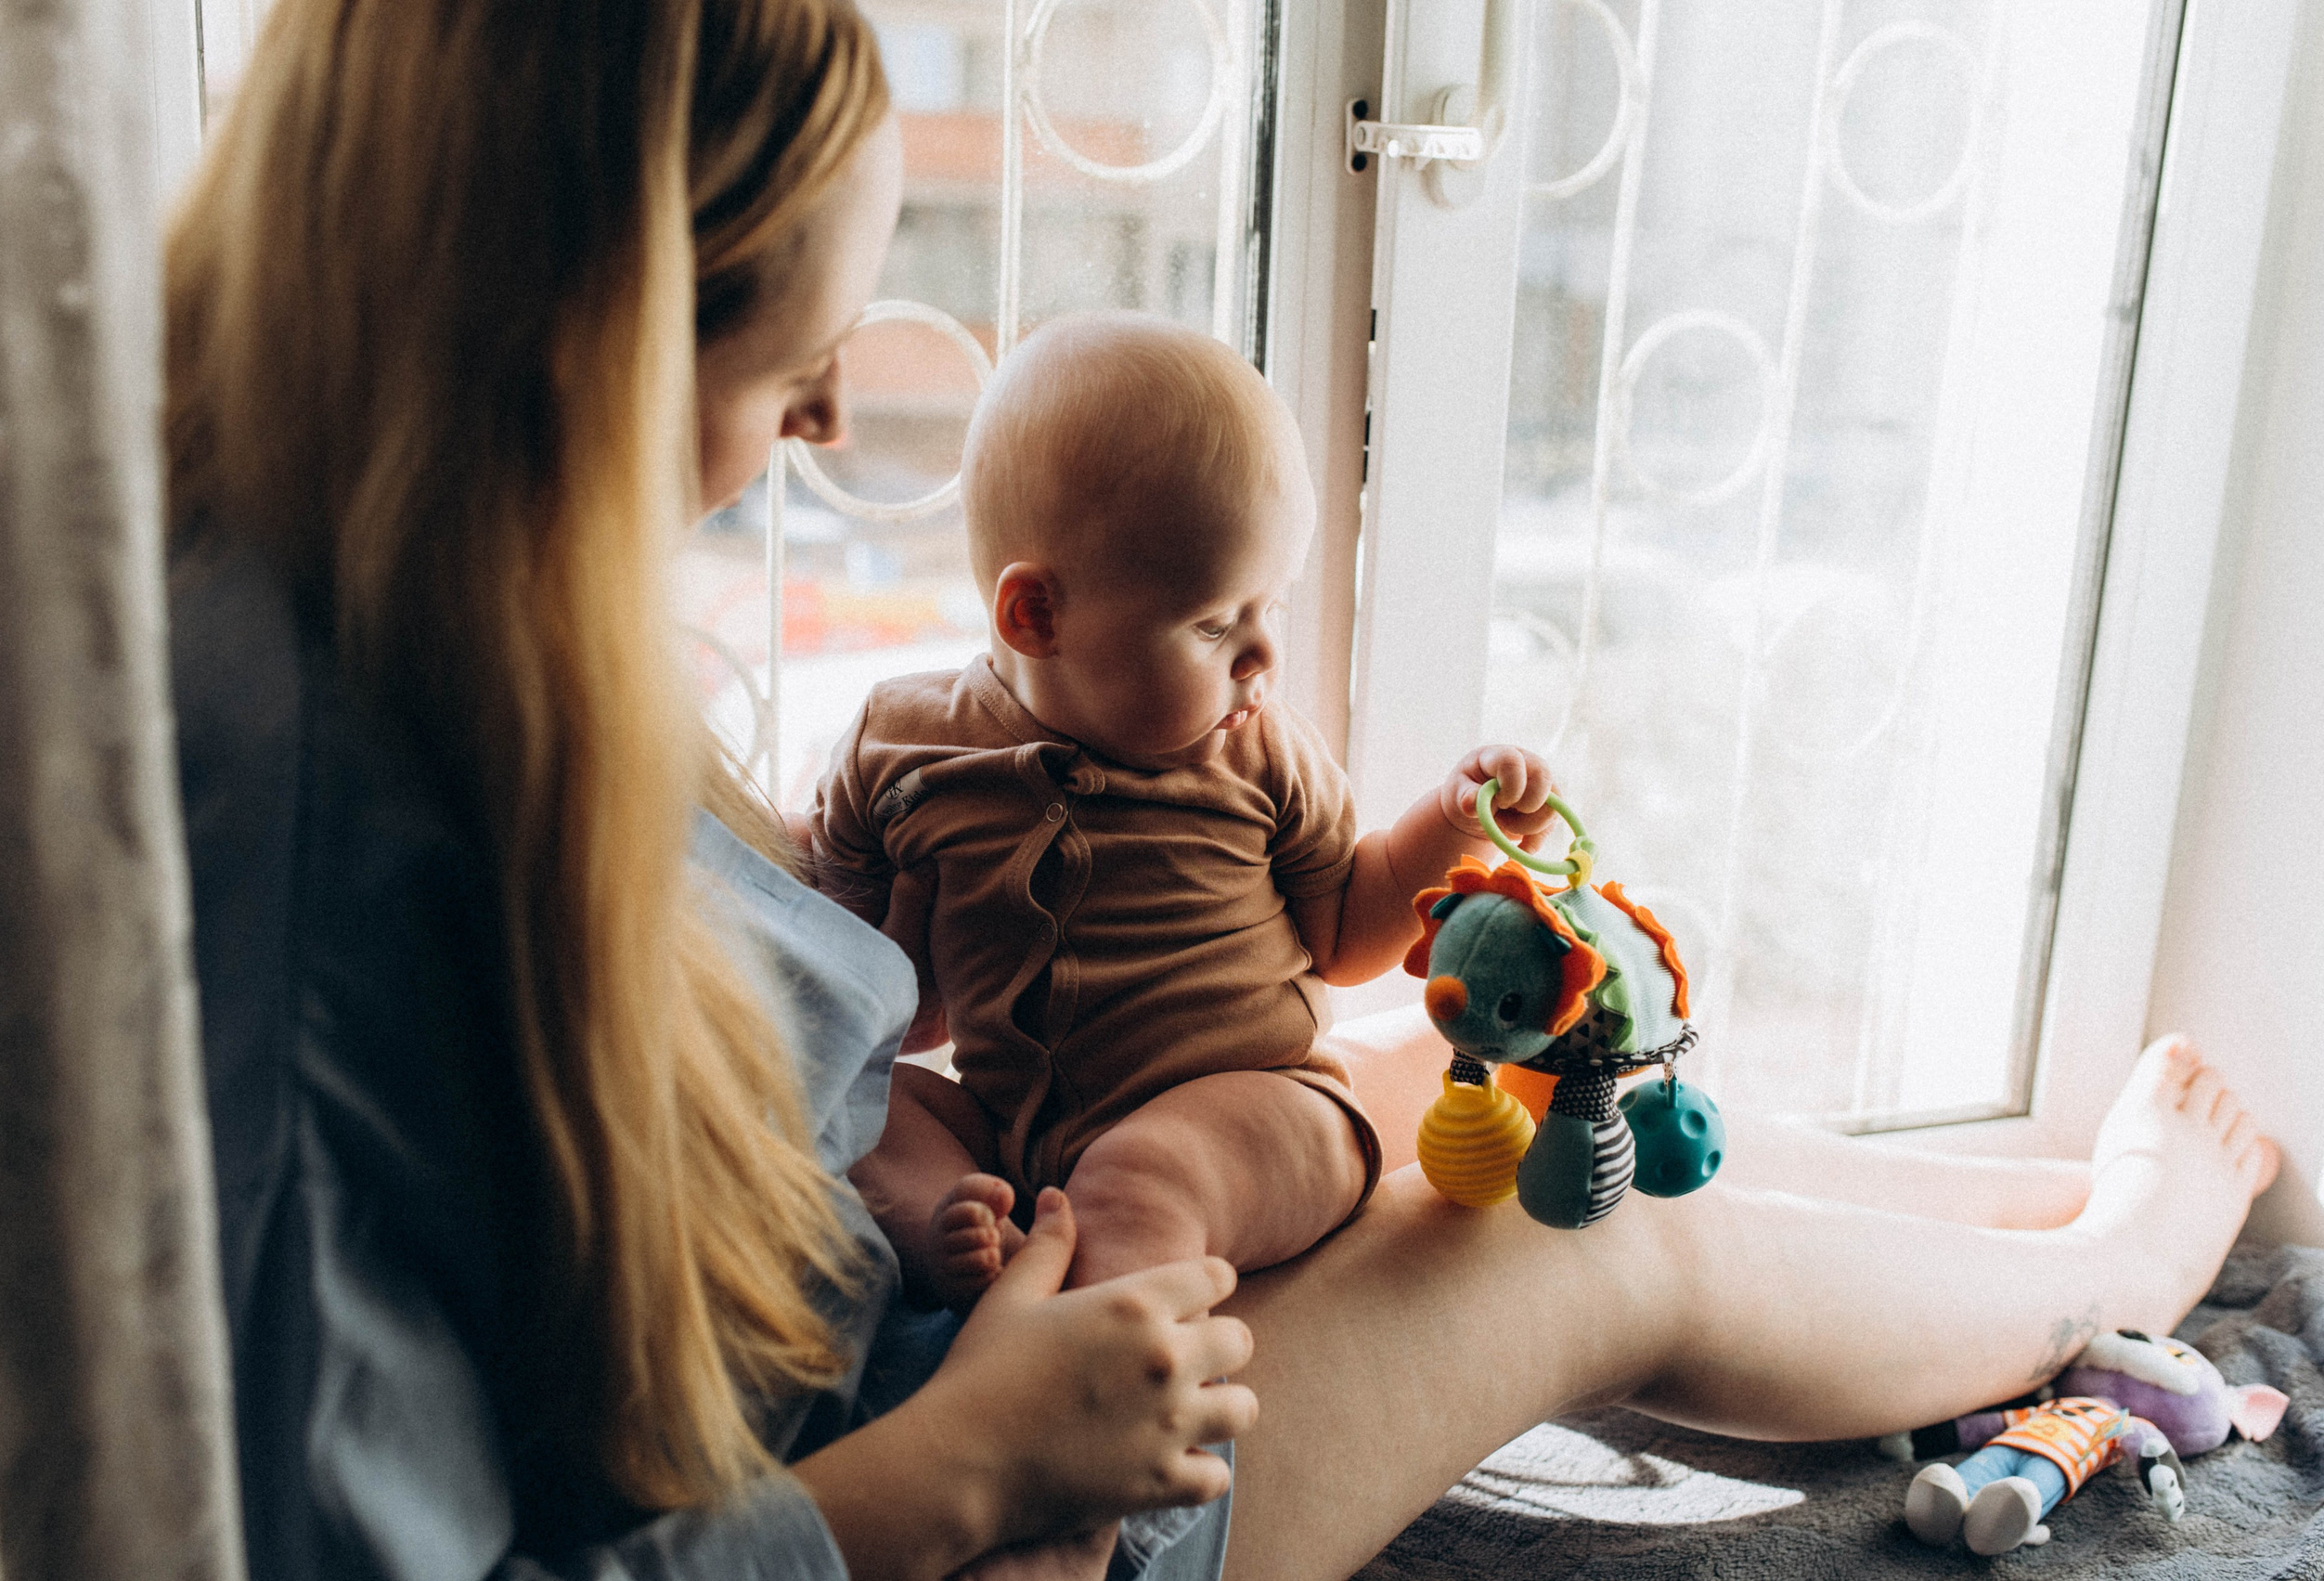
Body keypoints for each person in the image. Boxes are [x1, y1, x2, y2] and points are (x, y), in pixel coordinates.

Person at [161, 2, 2282, 1579]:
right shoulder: (309, 898)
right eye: (777, 362)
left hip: (941, 1312)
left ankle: (2011, 1217)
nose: (815, 414)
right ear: (582, 339)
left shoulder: (351, 618)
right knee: (1588, 1234)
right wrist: (961, 1463)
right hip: (981, 1493)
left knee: (1407, 1052)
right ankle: (2106, 1262)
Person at [815, 313, 1558, 1313]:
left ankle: (1095, 1340)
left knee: (1141, 1179)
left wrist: (1453, 822)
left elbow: (1348, 928)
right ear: (1035, 615)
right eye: (1215, 622)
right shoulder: (901, 742)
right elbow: (836, 953)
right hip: (1008, 1124)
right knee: (850, 1103)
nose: (1260, 656)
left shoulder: (1258, 748)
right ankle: (957, 1217)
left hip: (1256, 1115)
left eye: (1271, 607)